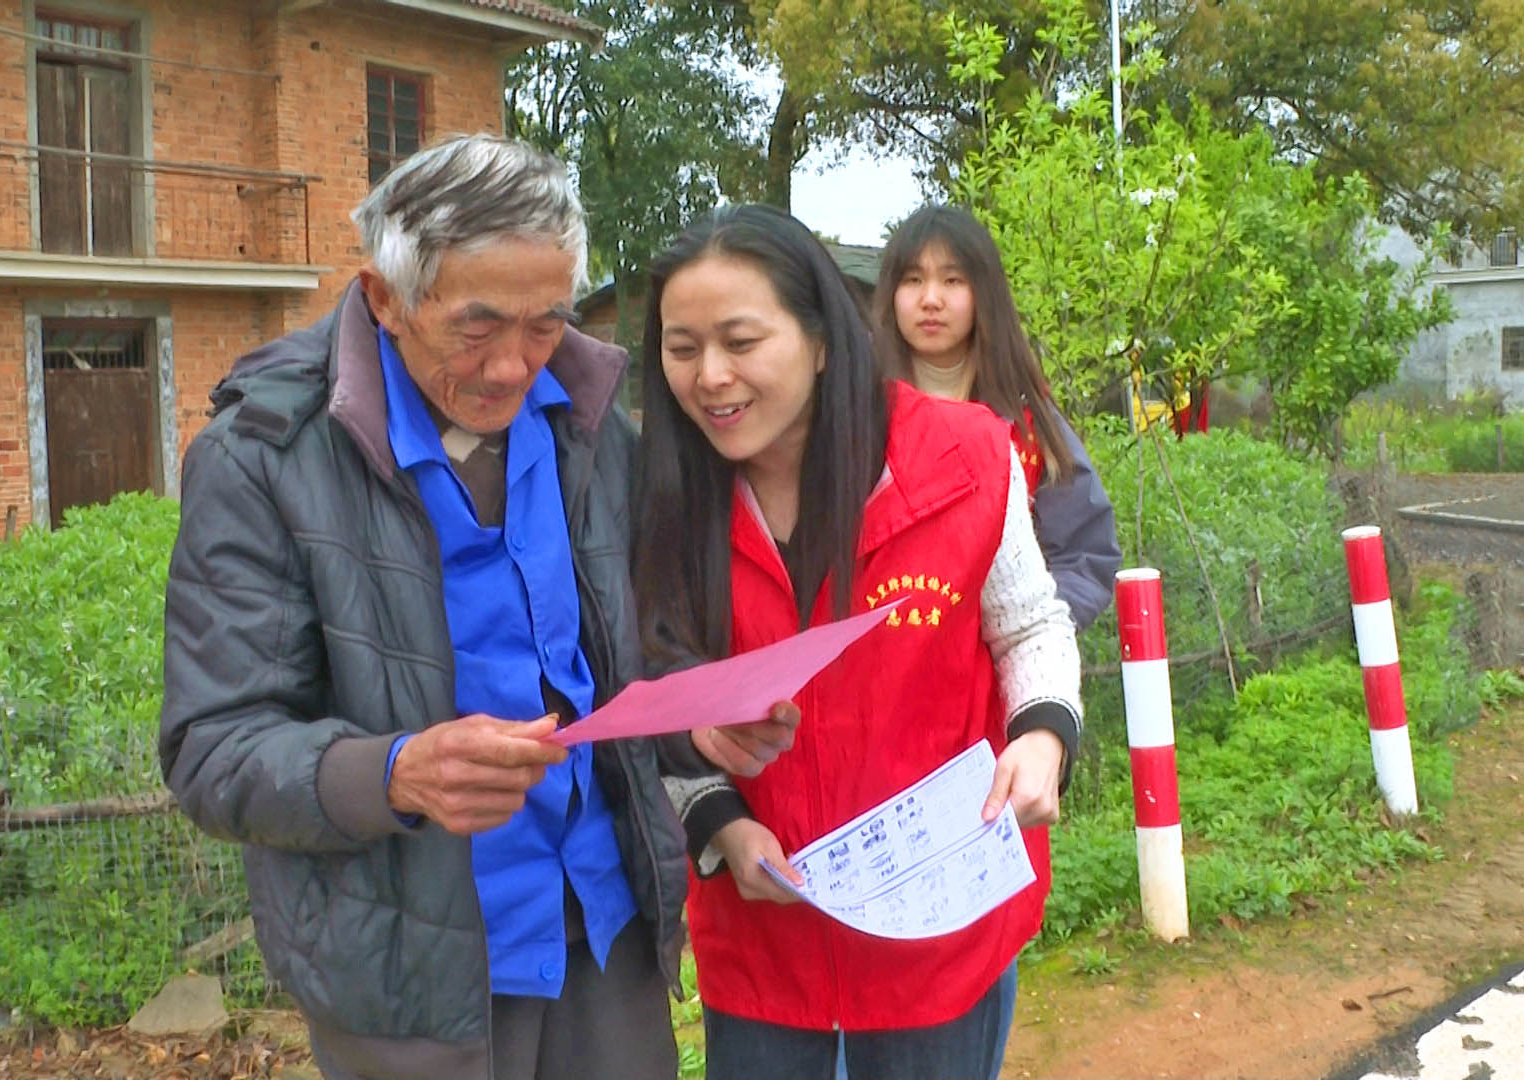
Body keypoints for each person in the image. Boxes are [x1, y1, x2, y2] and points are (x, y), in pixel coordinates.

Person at [158, 135, 795, 1080]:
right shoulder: (265, 458)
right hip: (408, 969)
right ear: (384, 299)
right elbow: (211, 745)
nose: (512, 366)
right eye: (476, 326)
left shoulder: (589, 428)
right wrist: (395, 773)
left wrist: (698, 718)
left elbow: (630, 661)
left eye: (544, 325)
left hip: (598, 923)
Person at [634, 204, 1082, 1080]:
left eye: (739, 340)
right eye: (681, 348)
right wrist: (718, 820)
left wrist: (1042, 736)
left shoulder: (965, 458)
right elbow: (657, 690)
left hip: (940, 924)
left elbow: (1029, 623)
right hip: (766, 935)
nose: (710, 376)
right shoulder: (663, 497)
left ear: (822, 339)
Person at [870, 204, 1120, 631]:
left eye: (952, 280)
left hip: (1004, 672)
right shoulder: (860, 415)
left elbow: (1085, 554)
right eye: (913, 280)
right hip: (882, 671)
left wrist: (1030, 636)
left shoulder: (1027, 424)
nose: (931, 299)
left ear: (983, 293)